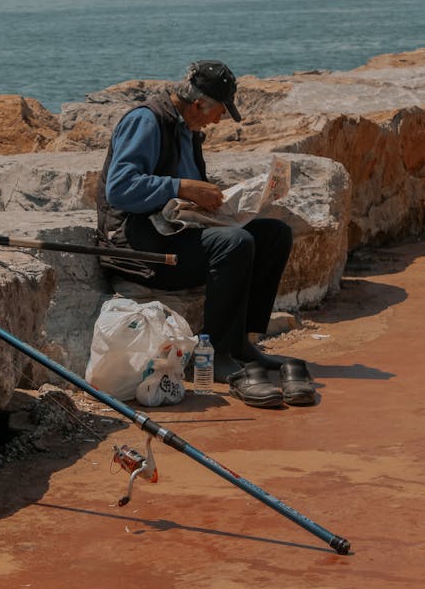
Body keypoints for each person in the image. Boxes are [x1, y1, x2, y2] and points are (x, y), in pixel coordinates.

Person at [96, 60, 315, 407]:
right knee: (235, 243)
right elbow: (120, 189)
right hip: (139, 247)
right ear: (199, 104)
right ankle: (216, 355)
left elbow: (183, 198)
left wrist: (221, 203)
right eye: (218, 113)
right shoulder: (147, 121)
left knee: (274, 234)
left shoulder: (187, 129)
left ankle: (241, 342)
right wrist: (184, 186)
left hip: (173, 230)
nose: (217, 122)